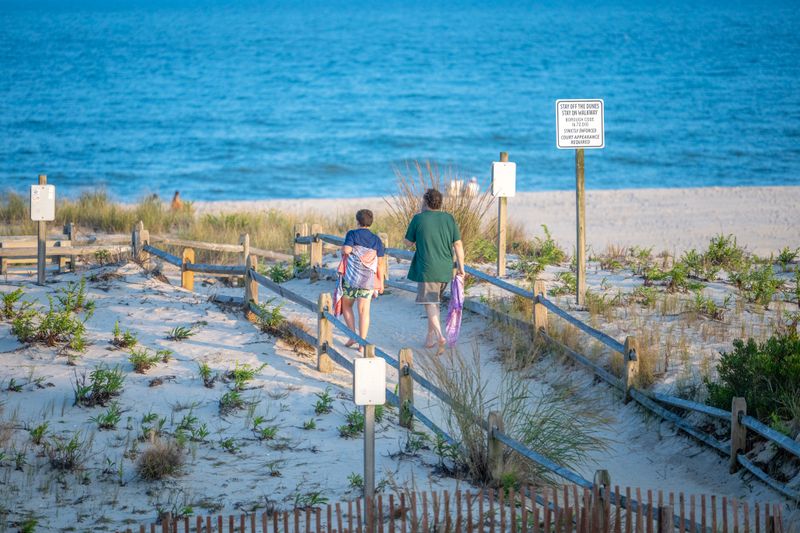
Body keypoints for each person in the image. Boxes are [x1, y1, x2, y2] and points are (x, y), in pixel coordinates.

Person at [404, 188, 465, 353]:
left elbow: (407, 243)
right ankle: (430, 338)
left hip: (427, 268)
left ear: (425, 201)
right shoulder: (449, 218)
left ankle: (439, 336)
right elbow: (458, 244)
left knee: (430, 303)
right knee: (434, 303)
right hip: (446, 269)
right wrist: (461, 267)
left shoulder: (418, 219)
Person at [339, 209, 385, 350]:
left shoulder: (352, 234)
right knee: (364, 311)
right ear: (370, 222)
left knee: (346, 306)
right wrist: (381, 284)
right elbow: (381, 264)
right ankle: (362, 343)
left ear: (357, 221)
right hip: (368, 281)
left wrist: (348, 249)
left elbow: (346, 250)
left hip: (352, 278)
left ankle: (353, 335)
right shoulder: (377, 240)